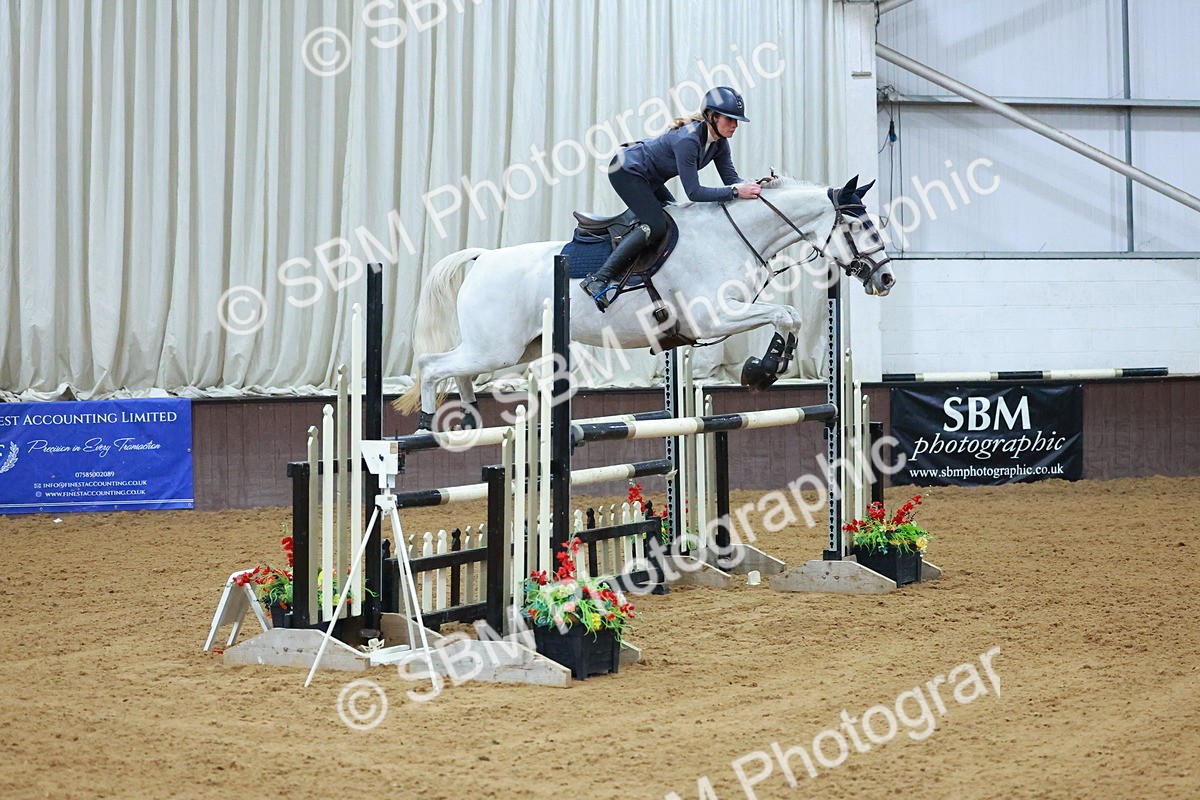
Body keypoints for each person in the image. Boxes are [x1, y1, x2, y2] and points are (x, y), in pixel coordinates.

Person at [580, 86, 763, 311]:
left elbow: (732, 179)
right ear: (712, 116)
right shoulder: (688, 141)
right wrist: (736, 193)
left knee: (675, 216)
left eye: (737, 121)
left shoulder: (720, 143)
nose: (735, 125)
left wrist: (757, 187)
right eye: (730, 119)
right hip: (626, 170)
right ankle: (599, 278)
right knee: (655, 225)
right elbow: (694, 193)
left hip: (649, 177)